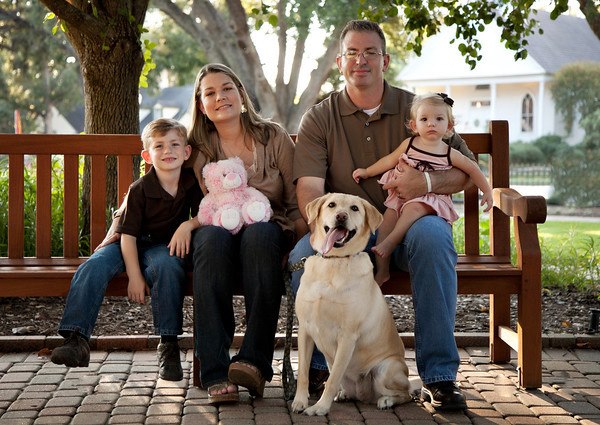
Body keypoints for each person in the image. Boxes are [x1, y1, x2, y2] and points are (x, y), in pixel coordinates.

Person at [289, 20, 474, 411]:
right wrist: (325, 239)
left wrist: (423, 185)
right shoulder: (319, 118)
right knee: (299, 259)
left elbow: (465, 171)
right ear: (340, 62)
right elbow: (309, 188)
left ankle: (439, 377)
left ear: (385, 60)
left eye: (370, 52)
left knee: (434, 237)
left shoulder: (419, 110)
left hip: (406, 229)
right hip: (343, 233)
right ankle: (322, 371)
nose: (361, 60)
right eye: (352, 53)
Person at [51, 118, 202, 382]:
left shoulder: (191, 184)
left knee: (168, 266)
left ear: (186, 151)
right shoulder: (140, 189)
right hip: (127, 243)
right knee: (93, 266)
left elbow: (207, 213)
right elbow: (128, 237)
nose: (168, 151)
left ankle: (168, 344)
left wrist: (189, 224)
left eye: (175, 144)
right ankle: (76, 339)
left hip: (162, 248)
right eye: (159, 146)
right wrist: (134, 275)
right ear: (147, 155)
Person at [188, 63, 305, 405]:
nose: (220, 97)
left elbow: (296, 199)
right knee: (210, 239)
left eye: (227, 88)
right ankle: (216, 371)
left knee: (258, 234)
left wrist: (299, 244)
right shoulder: (196, 148)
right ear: (201, 106)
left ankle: (252, 363)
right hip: (218, 237)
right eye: (209, 93)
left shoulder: (273, 136)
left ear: (240, 93)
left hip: (268, 236)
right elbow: (156, 184)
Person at [353, 92, 493, 285]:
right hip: (401, 198)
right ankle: (383, 271)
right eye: (424, 119)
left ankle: (391, 242)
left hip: (430, 200)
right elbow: (388, 160)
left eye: (439, 119)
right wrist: (367, 171)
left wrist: (486, 190)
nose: (431, 124)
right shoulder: (409, 145)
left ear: (449, 126)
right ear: (414, 125)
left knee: (414, 208)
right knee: (385, 223)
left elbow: (473, 168)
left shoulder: (448, 153)